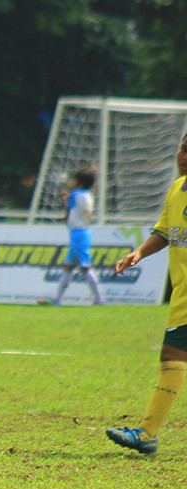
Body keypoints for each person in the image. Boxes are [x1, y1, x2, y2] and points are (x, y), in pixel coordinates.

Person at [105, 133, 187, 455]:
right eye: (183, 149)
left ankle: (147, 433)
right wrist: (139, 252)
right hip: (182, 294)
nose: (184, 157)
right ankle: (147, 434)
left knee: (172, 355)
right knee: (173, 356)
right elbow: (165, 231)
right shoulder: (177, 189)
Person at [37, 166, 105, 306]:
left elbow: (67, 214)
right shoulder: (89, 195)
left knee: (85, 267)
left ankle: (99, 299)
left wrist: (64, 201)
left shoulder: (76, 194)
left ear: (79, 182)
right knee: (68, 267)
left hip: (78, 234)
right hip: (83, 232)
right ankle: (57, 299)